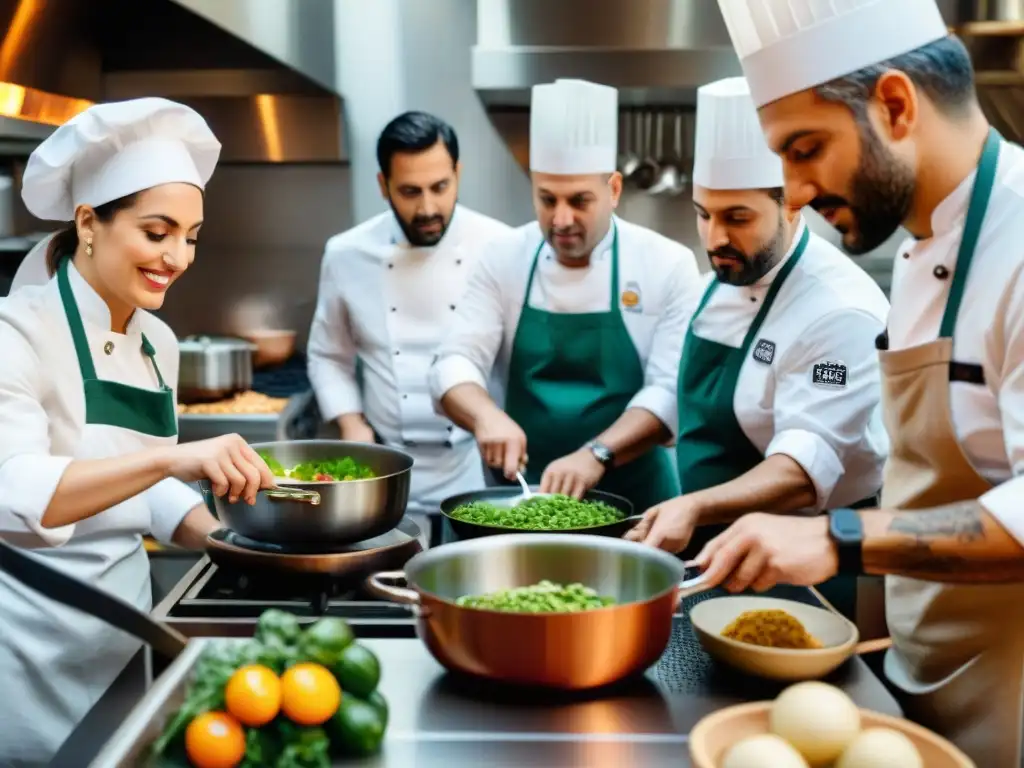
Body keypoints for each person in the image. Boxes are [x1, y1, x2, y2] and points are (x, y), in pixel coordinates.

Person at [700, 1, 1024, 764]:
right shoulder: (919, 248)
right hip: (919, 681)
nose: (800, 194)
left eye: (807, 149)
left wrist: (836, 537)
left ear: (896, 104)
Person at [0, 97, 275, 767]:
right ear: (89, 222)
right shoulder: (17, 333)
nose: (178, 256)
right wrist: (173, 460)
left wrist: (242, 549)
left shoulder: (158, 340)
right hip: (30, 656)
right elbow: (18, 494)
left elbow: (153, 492)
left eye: (191, 235)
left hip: (127, 639)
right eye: (157, 232)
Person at [625, 77, 890, 628]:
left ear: (792, 204)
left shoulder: (840, 311)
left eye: (737, 218)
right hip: (716, 557)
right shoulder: (712, 285)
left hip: (815, 573)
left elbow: (802, 469)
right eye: (703, 214)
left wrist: (695, 504)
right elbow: (677, 399)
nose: (714, 237)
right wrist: (603, 453)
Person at [429, 79, 702, 512]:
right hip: (522, 498)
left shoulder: (666, 263)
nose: (561, 219)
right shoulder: (503, 257)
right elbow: (453, 361)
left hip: (638, 502)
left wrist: (597, 454)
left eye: (579, 201)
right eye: (546, 199)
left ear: (613, 190)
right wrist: (485, 415)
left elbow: (671, 390)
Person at [306, 111, 511, 528]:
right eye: (410, 191)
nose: (427, 208)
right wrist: (351, 423)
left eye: (440, 187)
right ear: (383, 186)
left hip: (477, 466)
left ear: (458, 173)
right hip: (385, 466)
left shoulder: (500, 246)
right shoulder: (346, 254)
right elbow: (328, 355)